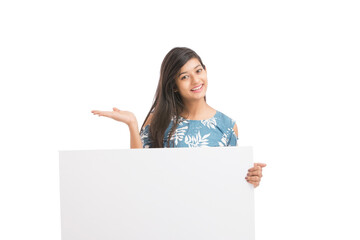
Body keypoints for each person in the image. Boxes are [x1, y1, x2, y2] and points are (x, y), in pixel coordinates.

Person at [91, 47, 266, 188]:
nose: (196, 80)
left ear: (206, 71)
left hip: (209, 220)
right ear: (174, 86)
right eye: (184, 77)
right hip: (165, 216)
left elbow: (230, 181)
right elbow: (140, 173)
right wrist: (132, 124)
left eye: (198, 71)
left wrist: (251, 178)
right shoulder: (159, 120)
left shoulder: (227, 126)